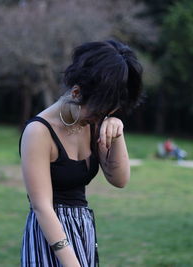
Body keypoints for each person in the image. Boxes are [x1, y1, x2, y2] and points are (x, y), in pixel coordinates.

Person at [18, 40, 143, 266]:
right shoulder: (38, 132)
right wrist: (71, 262)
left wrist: (117, 131)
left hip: (82, 231)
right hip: (49, 237)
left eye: (109, 112)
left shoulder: (94, 122)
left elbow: (120, 180)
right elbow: (42, 207)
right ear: (76, 92)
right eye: (98, 113)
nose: (99, 119)